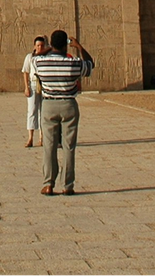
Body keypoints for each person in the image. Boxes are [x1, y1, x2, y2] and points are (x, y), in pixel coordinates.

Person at [33, 29, 93, 195]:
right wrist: (79, 47)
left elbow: (34, 57)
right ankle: (67, 185)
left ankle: (48, 184)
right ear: (66, 45)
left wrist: (48, 48)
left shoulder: (40, 63)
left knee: (49, 146)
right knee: (68, 147)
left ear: (51, 44)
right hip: (68, 104)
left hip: (49, 105)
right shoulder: (73, 63)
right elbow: (90, 65)